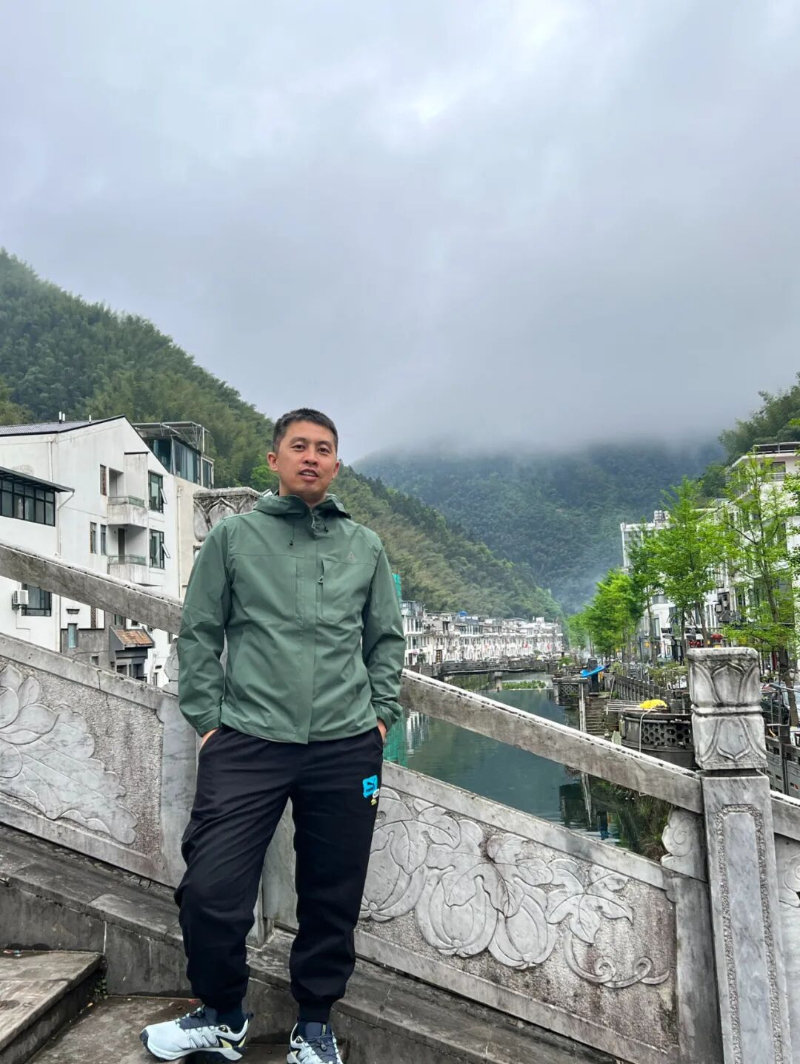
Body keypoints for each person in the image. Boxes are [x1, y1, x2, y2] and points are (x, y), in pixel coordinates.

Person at [141, 408, 405, 1064]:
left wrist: (380, 718)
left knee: (333, 893)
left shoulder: (365, 546)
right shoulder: (234, 537)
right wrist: (208, 723)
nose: (311, 457)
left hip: (345, 744)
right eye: (299, 446)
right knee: (210, 889)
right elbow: (199, 632)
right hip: (248, 739)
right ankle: (221, 1014)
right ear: (275, 459)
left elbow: (385, 640)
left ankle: (314, 1025)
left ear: (336, 464)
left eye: (324, 448)